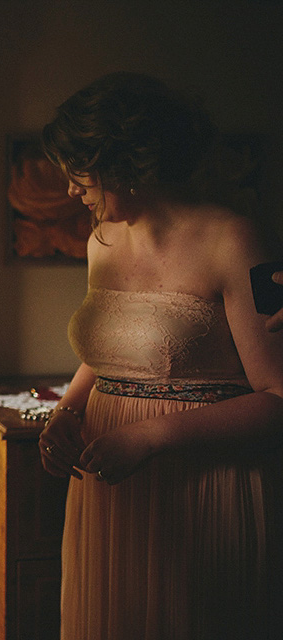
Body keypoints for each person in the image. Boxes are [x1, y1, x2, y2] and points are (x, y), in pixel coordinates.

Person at [37, 72, 283, 640]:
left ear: (125, 159)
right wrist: (68, 413)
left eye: (81, 170)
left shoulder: (234, 239)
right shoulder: (100, 244)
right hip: (109, 492)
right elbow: (112, 352)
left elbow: (277, 398)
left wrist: (148, 437)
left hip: (206, 485)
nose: (73, 190)